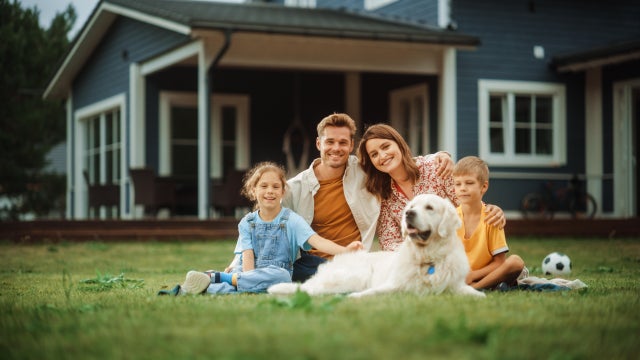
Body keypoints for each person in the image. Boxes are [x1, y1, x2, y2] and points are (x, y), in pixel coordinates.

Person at [283, 113, 453, 282]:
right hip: (312, 263)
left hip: (356, 261)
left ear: (351, 146)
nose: (336, 148)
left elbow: (397, 163)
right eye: (330, 142)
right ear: (319, 143)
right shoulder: (295, 188)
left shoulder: (365, 171)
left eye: (342, 142)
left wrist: (438, 157)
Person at [158, 162, 363, 296]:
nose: (269, 191)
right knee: (266, 283)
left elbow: (317, 241)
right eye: (263, 186)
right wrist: (249, 279)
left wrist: (345, 250)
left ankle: (210, 281)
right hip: (247, 271)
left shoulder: (292, 220)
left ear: (283, 191)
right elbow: (247, 256)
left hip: (274, 272)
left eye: (275, 187)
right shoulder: (247, 222)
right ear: (253, 190)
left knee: (282, 276)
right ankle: (214, 280)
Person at [356, 123, 506, 251]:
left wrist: (489, 210)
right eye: (374, 154)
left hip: (461, 245)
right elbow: (389, 242)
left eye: (386, 146)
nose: (382, 156)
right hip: (421, 258)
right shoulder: (383, 194)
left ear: (399, 144)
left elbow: (468, 206)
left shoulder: (435, 167)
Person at [453, 156, 525, 290]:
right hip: (458, 275)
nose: (462, 188)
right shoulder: (451, 218)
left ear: (484, 186)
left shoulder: (492, 217)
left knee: (516, 262)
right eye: (458, 184)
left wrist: (473, 276)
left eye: (469, 183)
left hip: (485, 274)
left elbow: (499, 262)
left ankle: (474, 288)